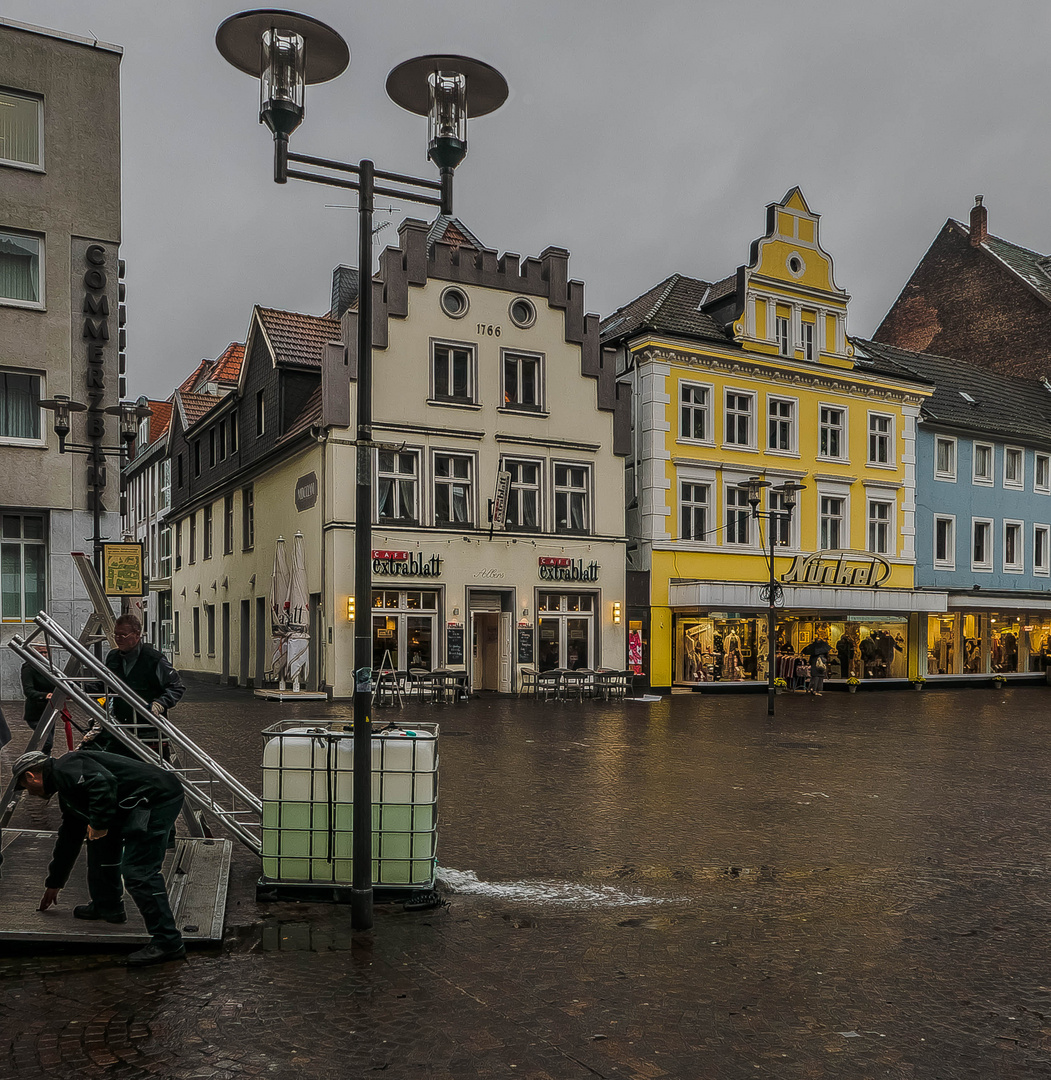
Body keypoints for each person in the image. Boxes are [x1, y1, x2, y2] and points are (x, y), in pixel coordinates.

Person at [13, 748, 187, 967]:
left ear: (31, 776)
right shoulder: (67, 790)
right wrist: (54, 882)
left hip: (157, 797)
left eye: (26, 787)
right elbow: (69, 837)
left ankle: (168, 941)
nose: (29, 793)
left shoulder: (67, 767)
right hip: (137, 799)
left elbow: (103, 783)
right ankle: (107, 906)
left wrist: (99, 823)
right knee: (97, 840)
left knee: (138, 871)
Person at [90, 613, 185, 758]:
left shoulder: (154, 659)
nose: (118, 638)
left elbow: (176, 687)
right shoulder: (113, 657)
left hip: (149, 732)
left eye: (123, 635)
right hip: (120, 729)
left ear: (137, 634)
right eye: (116, 634)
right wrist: (77, 687)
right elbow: (103, 686)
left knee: (153, 775)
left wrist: (160, 704)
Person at [21, 642, 58, 754]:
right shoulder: (29, 668)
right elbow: (28, 691)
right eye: (40, 652)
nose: (43, 655)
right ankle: (36, 762)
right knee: (46, 742)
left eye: (45, 652)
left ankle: (43, 764)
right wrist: (45, 695)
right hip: (36, 713)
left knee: (46, 744)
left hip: (50, 711)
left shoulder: (50, 668)